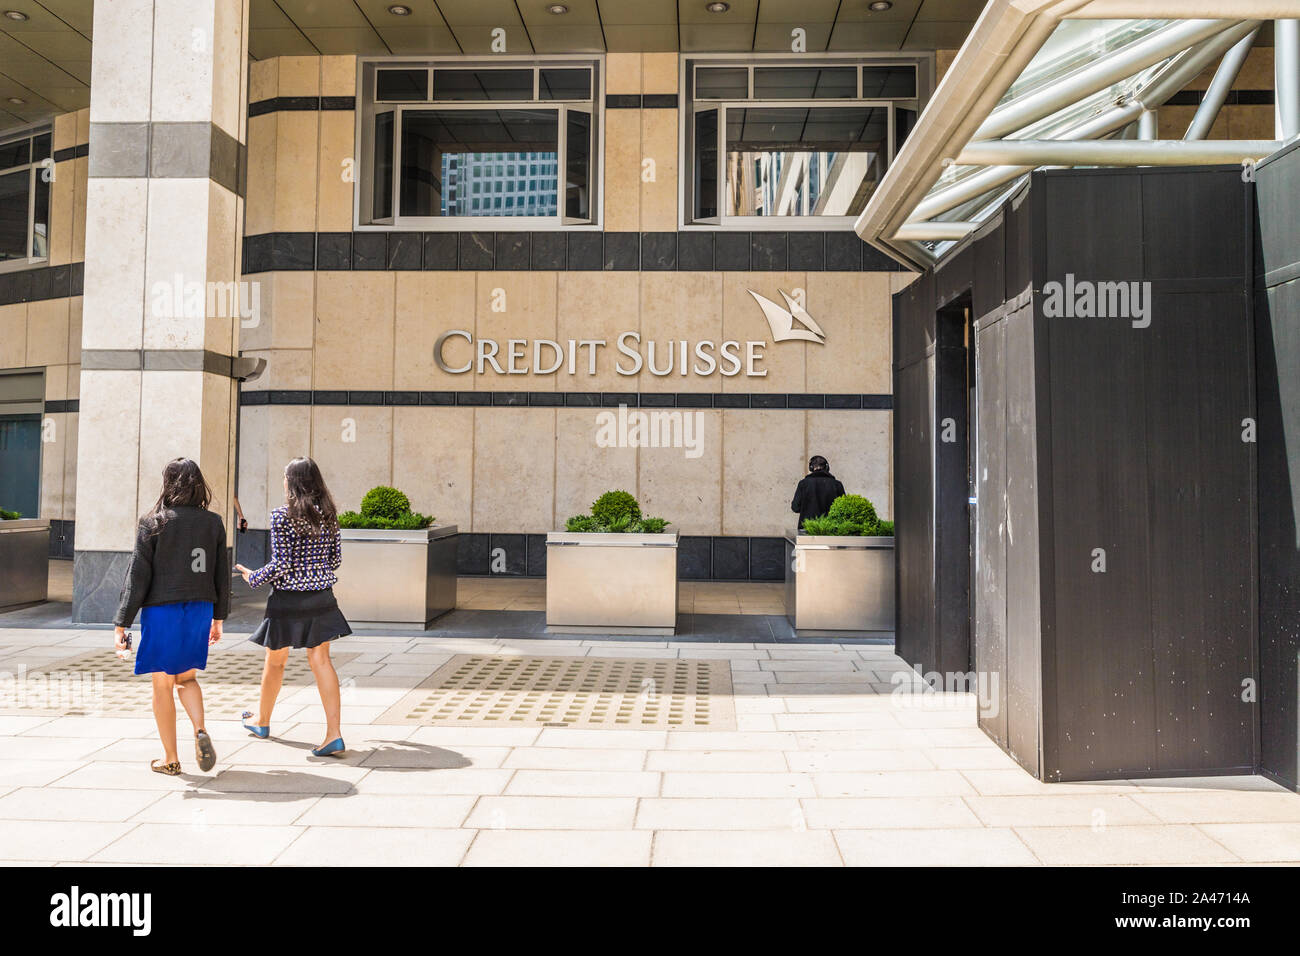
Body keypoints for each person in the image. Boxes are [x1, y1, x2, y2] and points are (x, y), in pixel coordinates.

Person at [114, 458, 230, 776]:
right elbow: (222, 574)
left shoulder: (153, 522)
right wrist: (218, 618)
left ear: (168, 484)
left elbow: (138, 575)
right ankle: (200, 729)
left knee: (162, 685)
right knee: (187, 679)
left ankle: (170, 758)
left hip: (162, 611)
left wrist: (122, 622)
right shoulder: (213, 523)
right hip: (199, 609)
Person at [234, 457, 352, 757]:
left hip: (287, 600)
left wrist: (253, 577)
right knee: (321, 661)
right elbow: (335, 560)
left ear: (293, 482)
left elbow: (282, 564)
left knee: (275, 661)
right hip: (322, 596)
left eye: (285, 477)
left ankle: (262, 721)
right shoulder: (328, 514)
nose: (283, 482)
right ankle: (333, 734)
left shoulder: (281, 516)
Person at [791, 455, 846, 529]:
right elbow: (844, 510)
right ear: (827, 467)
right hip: (831, 530)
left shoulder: (803, 484)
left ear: (811, 468)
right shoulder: (837, 484)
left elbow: (795, 507)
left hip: (807, 530)